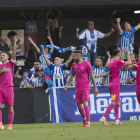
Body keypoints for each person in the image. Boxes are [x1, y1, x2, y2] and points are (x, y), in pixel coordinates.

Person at [64, 50, 98, 127]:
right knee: (79, 105)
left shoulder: (87, 64)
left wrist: (95, 88)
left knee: (85, 103)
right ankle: (84, 118)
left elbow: (92, 76)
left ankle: (88, 122)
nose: (73, 58)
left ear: (79, 56)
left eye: (74, 56)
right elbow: (72, 75)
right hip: (77, 87)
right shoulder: (74, 65)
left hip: (85, 87)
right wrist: (67, 84)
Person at [100, 47, 131, 125]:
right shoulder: (118, 62)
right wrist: (127, 53)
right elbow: (129, 62)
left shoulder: (110, 62)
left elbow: (112, 66)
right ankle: (103, 117)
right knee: (114, 102)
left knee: (118, 102)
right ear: (119, 54)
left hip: (110, 84)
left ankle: (117, 120)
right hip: (115, 84)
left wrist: (122, 59)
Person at [0, 36, 18, 130]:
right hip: (0, 88)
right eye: (1, 55)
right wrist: (2, 71)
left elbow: (14, 54)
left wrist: (14, 43)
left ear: (7, 57)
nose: (2, 56)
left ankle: (10, 125)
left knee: (10, 107)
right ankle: (0, 124)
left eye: (3, 55)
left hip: (9, 87)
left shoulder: (11, 63)